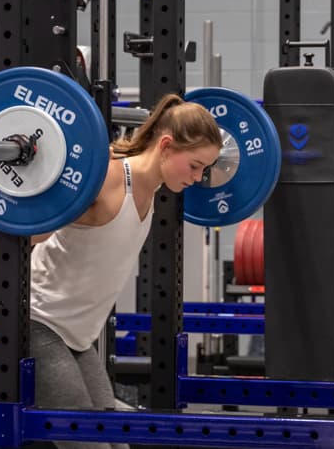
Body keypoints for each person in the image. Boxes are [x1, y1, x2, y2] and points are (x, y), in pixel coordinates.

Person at [28, 94, 222, 449]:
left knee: (118, 439)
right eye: (194, 165)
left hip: (77, 337)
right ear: (166, 146)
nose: (198, 178)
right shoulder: (109, 179)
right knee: (90, 445)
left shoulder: (152, 190)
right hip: (38, 324)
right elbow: (29, 228)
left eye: (204, 169)